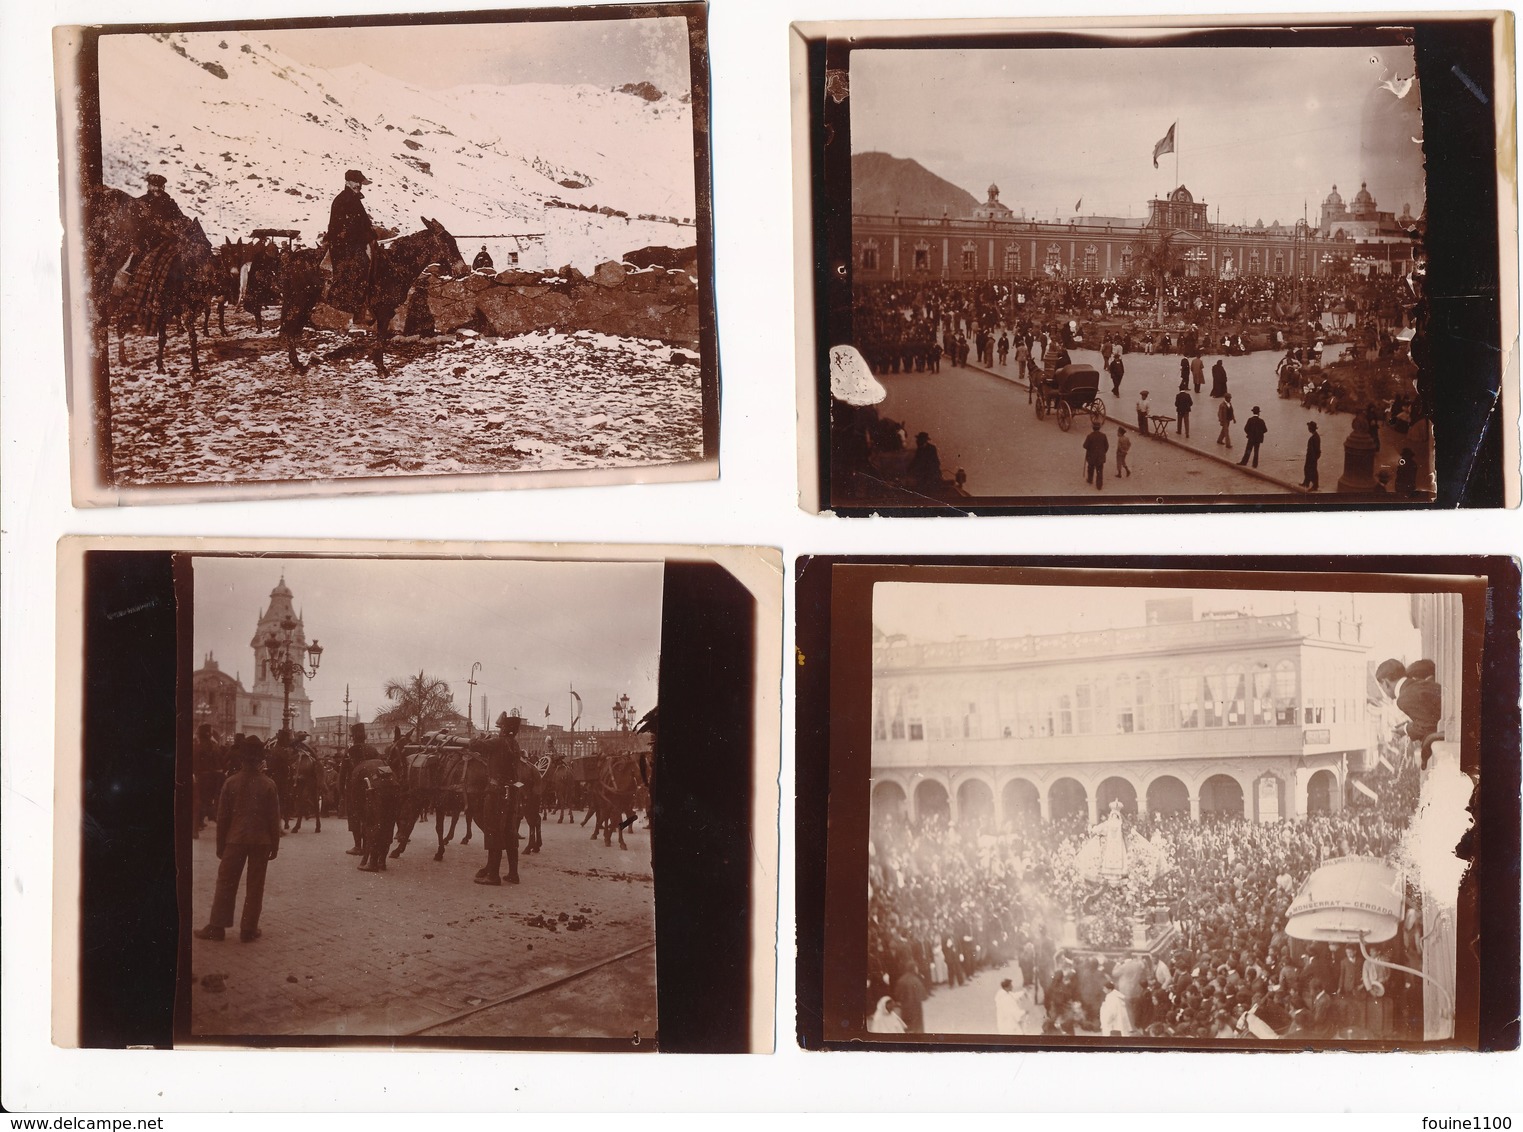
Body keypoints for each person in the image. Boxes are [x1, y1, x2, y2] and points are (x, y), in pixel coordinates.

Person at [194, 738, 282, 943]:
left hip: (235, 839)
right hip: (261, 841)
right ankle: (248, 929)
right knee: (255, 884)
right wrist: (275, 845)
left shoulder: (231, 782)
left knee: (226, 882)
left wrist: (220, 846)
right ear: (261, 759)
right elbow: (273, 818)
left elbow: (222, 817)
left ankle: (217, 927)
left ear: (241, 759)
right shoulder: (269, 784)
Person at [476, 712, 524, 885]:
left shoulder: (497, 742)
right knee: (510, 831)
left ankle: (493, 875)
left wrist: (478, 738)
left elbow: (476, 745)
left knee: (492, 830)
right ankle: (513, 874)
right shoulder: (515, 744)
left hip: (496, 793)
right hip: (512, 793)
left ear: (504, 728)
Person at [327, 169, 378, 318]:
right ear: (347, 182)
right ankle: (355, 306)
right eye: (356, 182)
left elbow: (361, 223)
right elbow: (347, 227)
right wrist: (366, 236)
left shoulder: (353, 199)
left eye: (360, 182)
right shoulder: (344, 200)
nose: (359, 185)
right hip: (343, 244)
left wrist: (372, 233)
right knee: (361, 264)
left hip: (353, 242)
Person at [1375, 658, 1443, 745]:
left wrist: (1405, 729)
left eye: (1382, 687)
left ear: (1385, 683)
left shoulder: (1403, 698)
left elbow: (1429, 726)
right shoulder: (1416, 685)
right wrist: (1411, 724)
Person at [344, 723, 384, 857]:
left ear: (353, 737)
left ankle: (357, 846)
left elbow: (343, 773)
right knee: (369, 816)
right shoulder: (373, 750)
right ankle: (367, 845)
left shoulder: (350, 750)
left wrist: (341, 790)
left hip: (354, 788)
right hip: (372, 787)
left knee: (355, 816)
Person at [1082, 419, 1109, 490]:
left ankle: (1090, 480)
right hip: (1100, 457)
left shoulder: (1090, 436)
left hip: (1091, 457)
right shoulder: (1103, 436)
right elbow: (1106, 446)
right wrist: (1102, 452)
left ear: (1093, 428)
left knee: (1090, 469)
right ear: (1099, 428)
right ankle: (1099, 485)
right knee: (1099, 471)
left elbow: (1085, 446)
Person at [1301, 421, 1321, 490]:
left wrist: (1313, 458)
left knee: (1312, 470)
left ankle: (1315, 485)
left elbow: (1313, 449)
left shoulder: (1313, 438)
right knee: (1308, 469)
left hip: (1311, 457)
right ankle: (1306, 483)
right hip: (1313, 457)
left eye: (1309, 427)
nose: (1308, 429)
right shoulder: (1316, 436)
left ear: (1311, 429)